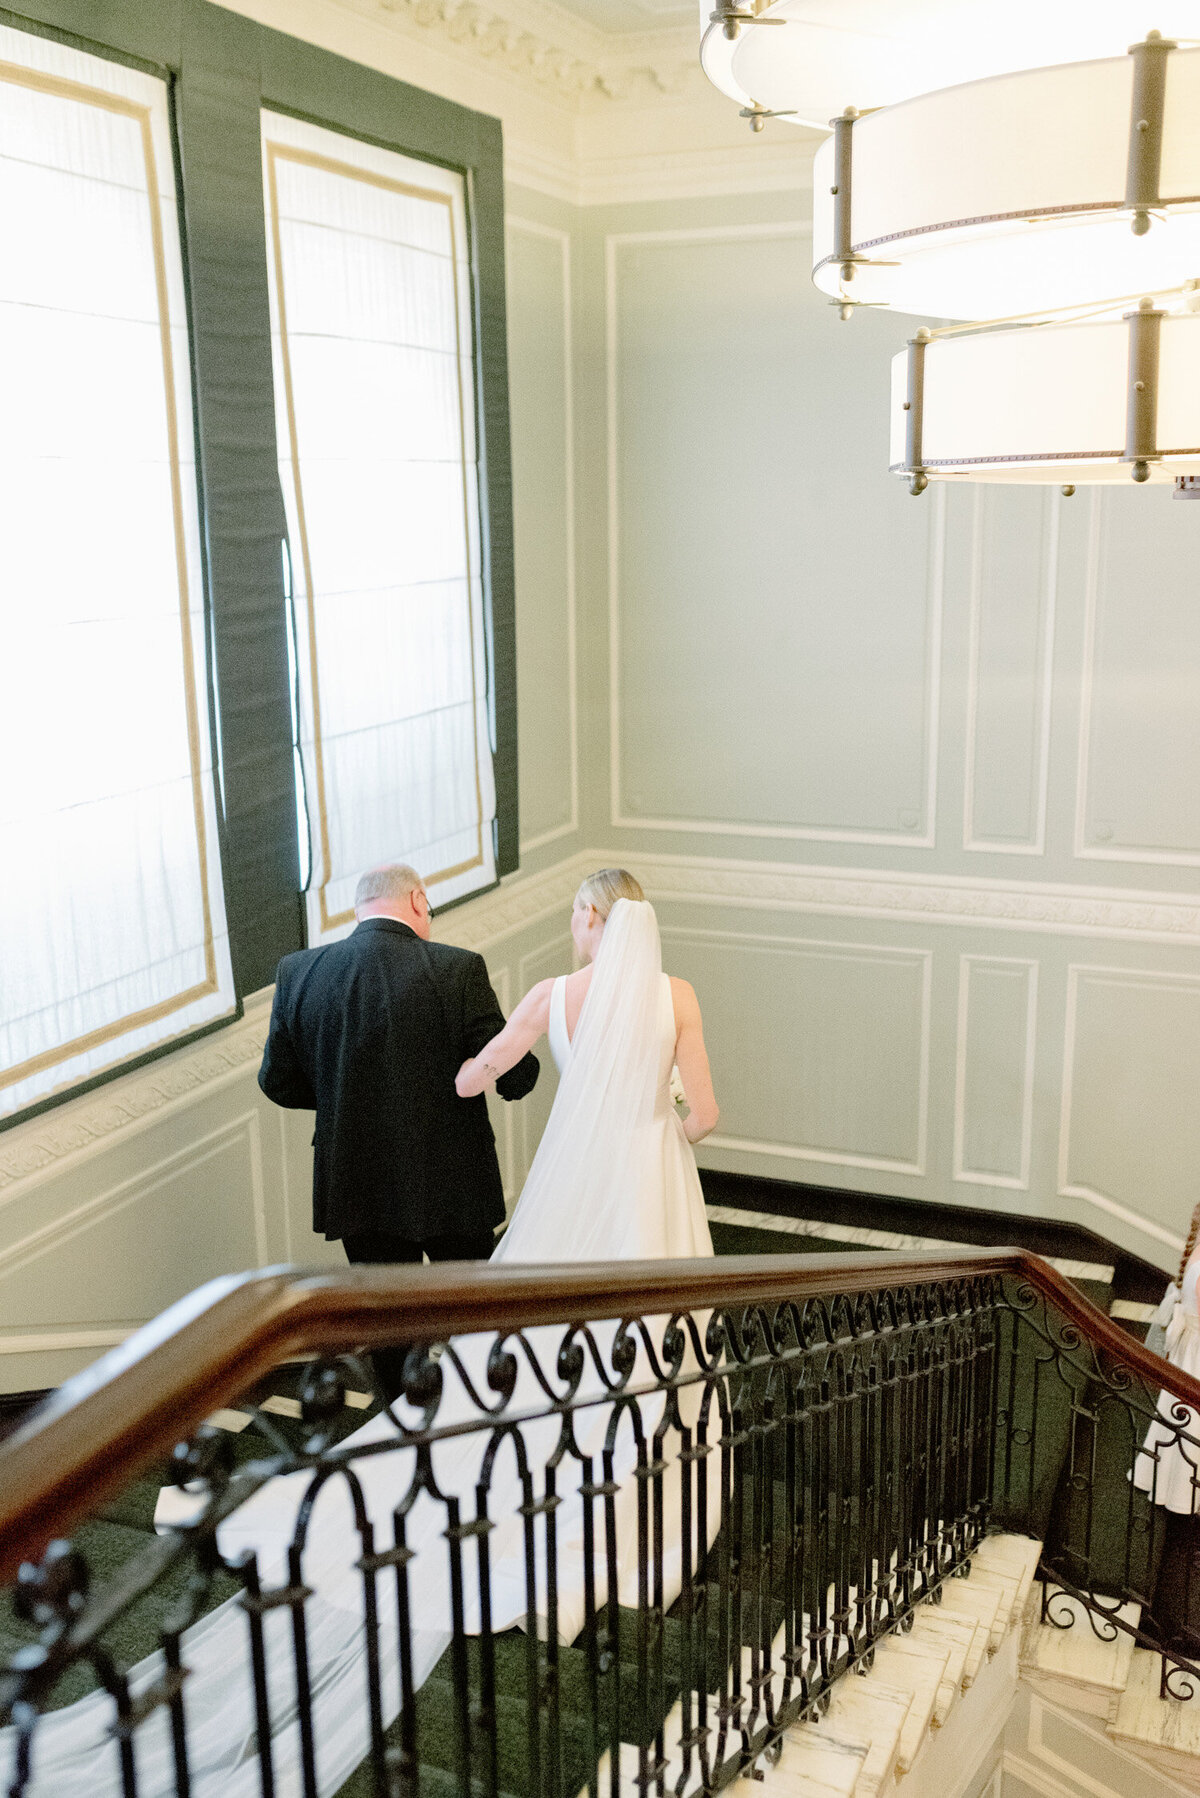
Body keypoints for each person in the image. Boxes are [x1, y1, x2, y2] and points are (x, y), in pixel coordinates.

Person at [14, 871, 722, 1798]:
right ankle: (629, 1456)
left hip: (372, 1181)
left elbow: (310, 1079)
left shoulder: (311, 973)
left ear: (593, 921)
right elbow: (660, 1108)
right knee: (580, 1320)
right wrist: (658, 1116)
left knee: (406, 1322)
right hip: (589, 1186)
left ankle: (417, 1432)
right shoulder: (546, 980)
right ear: (420, 904)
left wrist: (372, 1094)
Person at [258, 862, 540, 1270]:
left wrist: (343, 1097)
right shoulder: (458, 969)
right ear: (417, 900)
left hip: (356, 1184)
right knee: (468, 1314)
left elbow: (277, 1081)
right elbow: (515, 1077)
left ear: (359, 910)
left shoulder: (298, 973)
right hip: (453, 1182)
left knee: (389, 1319)